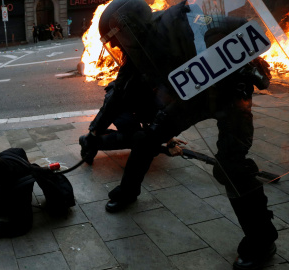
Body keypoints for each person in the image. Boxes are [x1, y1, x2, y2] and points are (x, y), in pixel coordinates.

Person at [84, 0, 277, 269]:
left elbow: (242, 27)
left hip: (229, 95)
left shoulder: (183, 21)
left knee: (231, 166)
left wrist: (250, 59)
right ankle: (127, 192)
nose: (116, 47)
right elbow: (118, 93)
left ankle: (262, 240)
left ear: (133, 25)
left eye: (117, 38)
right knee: (146, 139)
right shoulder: (139, 51)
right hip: (191, 99)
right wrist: (95, 130)